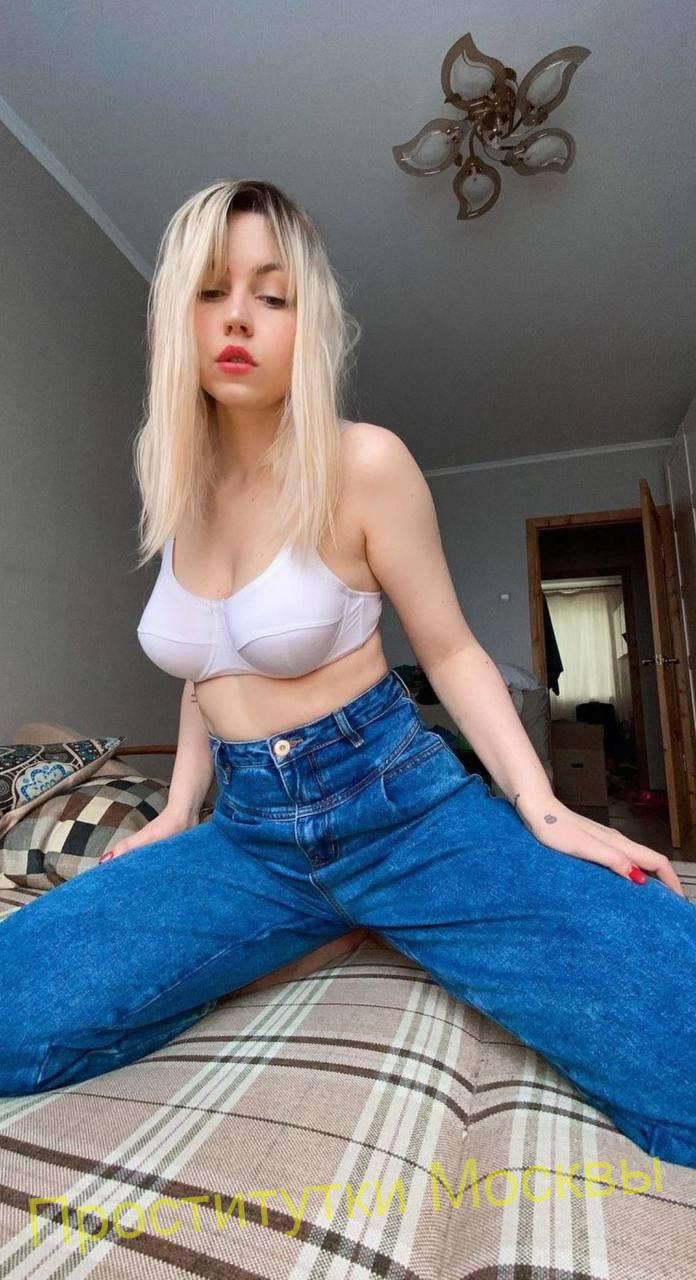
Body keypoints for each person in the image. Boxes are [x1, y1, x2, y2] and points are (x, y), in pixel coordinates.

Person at [2, 179, 695, 1173]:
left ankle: (358, 908)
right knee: (13, 1016)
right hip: (248, 836)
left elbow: (449, 649)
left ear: (307, 322)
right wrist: (175, 811)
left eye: (272, 294)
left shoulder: (364, 463)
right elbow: (205, 668)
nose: (238, 317)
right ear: (179, 317)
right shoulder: (179, 487)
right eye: (211, 290)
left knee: (680, 1047)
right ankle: (310, 926)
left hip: (400, 810)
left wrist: (542, 807)